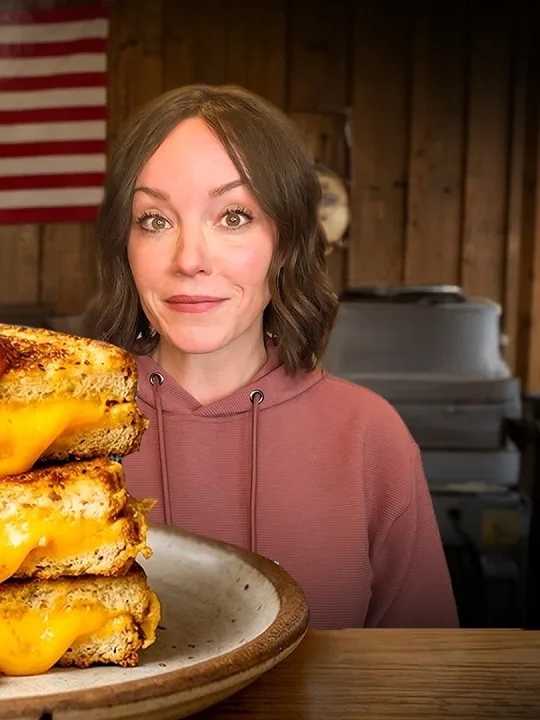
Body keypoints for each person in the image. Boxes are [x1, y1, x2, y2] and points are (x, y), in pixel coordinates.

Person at [93, 84, 458, 629]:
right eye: (155, 220)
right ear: (126, 246)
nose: (190, 259)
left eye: (234, 216)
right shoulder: (64, 434)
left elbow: (434, 680)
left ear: (284, 243)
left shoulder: (368, 435)